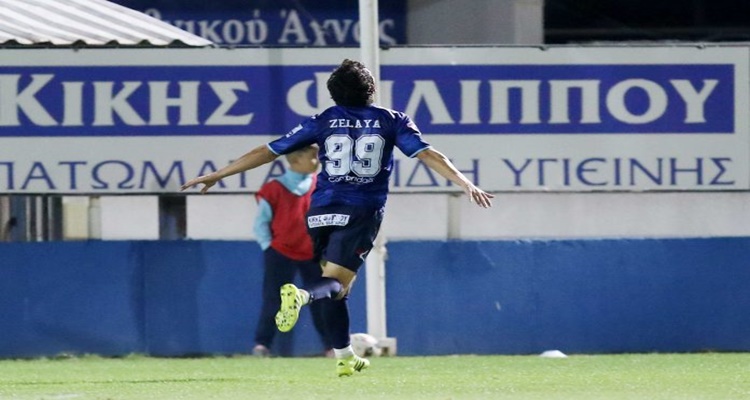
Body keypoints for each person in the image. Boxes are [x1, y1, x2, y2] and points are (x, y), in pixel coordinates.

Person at [181, 59, 494, 376]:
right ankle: (302, 295)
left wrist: (220, 174)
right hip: (360, 211)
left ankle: (345, 356)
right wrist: (465, 182)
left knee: (337, 286)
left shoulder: (324, 120)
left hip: (319, 212)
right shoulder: (392, 120)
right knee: (332, 283)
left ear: (333, 94)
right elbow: (426, 153)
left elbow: (269, 150)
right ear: (372, 89)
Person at [251, 144, 332, 358]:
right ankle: (262, 345)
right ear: (295, 160)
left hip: (314, 255)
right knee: (274, 299)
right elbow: (261, 223)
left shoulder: (322, 187)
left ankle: (331, 346)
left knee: (320, 300)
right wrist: (269, 247)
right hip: (280, 253)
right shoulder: (274, 189)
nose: (317, 161)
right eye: (312, 157)